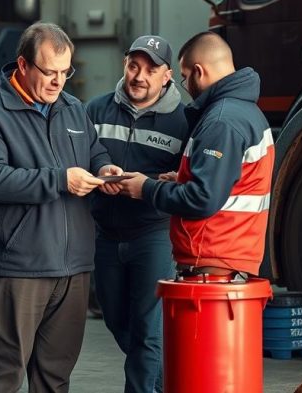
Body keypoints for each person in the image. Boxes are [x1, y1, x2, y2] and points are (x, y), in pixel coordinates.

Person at [0, 22, 125, 393]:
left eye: (65, 72)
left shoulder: (73, 109)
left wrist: (103, 167)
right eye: (49, 72)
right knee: (4, 374)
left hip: (74, 267)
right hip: (22, 264)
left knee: (55, 377)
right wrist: (60, 180)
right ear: (23, 65)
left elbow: (94, 151)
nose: (58, 82)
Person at [119, 31, 273, 279]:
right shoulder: (246, 112)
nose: (187, 86)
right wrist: (181, 180)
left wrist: (145, 188)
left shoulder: (221, 122)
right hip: (229, 259)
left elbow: (203, 198)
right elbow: (229, 184)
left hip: (213, 263)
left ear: (199, 72)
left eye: (186, 77)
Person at [85, 35, 189, 393]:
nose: (139, 76)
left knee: (148, 328)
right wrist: (99, 174)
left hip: (154, 234)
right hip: (105, 235)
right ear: (125, 65)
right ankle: (165, 380)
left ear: (167, 75)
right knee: (116, 320)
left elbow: (190, 183)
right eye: (134, 66)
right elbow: (77, 160)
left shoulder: (184, 121)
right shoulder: (95, 111)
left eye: (151, 69)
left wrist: (170, 182)